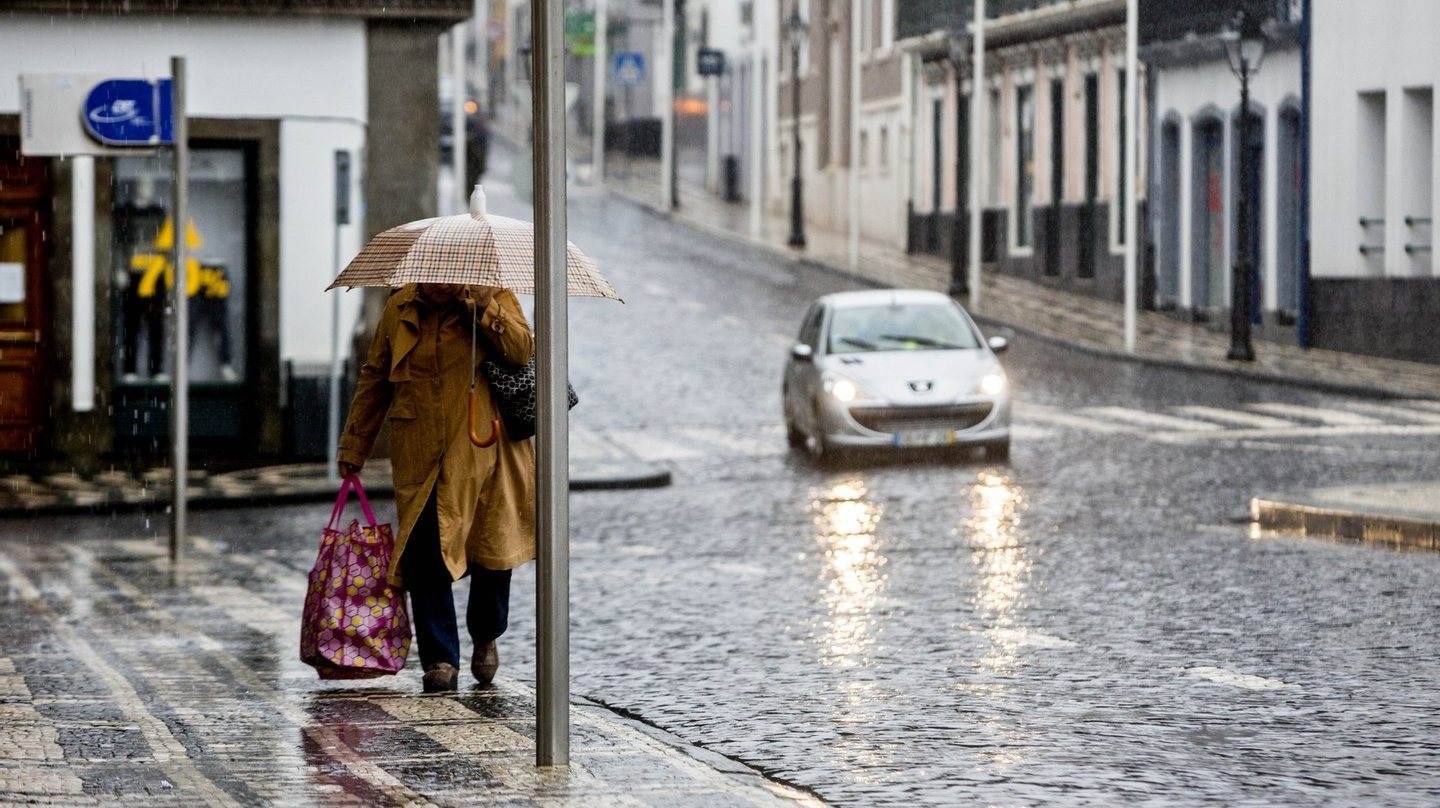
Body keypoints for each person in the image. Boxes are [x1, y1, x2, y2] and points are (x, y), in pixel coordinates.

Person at [337, 282, 535, 693]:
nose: (441, 283)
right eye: (432, 276)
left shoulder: (491, 296)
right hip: (420, 450)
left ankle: (486, 635)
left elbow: (522, 350)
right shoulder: (400, 308)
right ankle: (440, 658)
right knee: (424, 554)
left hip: (484, 447)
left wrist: (484, 308)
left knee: (490, 552)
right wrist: (355, 444)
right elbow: (376, 377)